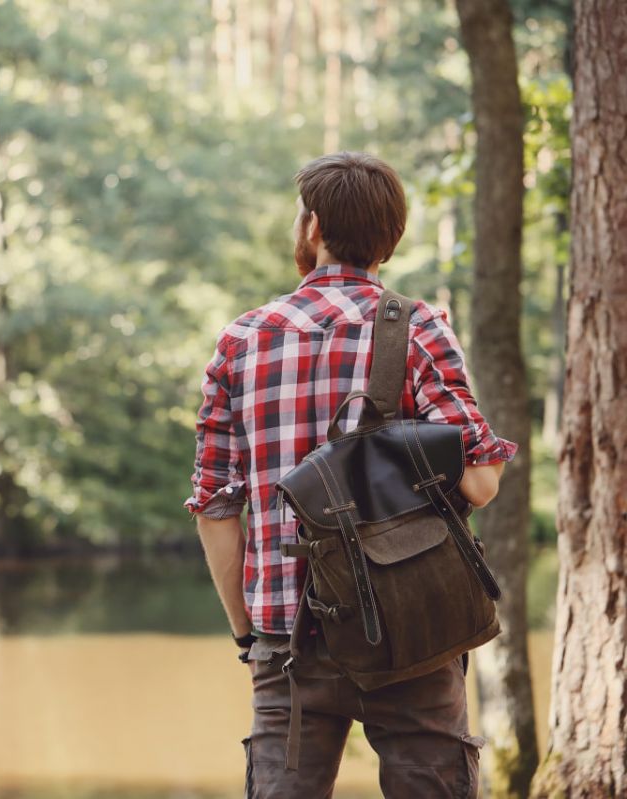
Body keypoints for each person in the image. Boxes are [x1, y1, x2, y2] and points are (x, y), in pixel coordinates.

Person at [184, 151, 518, 798]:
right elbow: (480, 482)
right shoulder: (417, 328)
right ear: (388, 243)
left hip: (286, 636)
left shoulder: (240, 342)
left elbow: (215, 508)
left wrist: (249, 633)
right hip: (412, 626)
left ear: (311, 228)